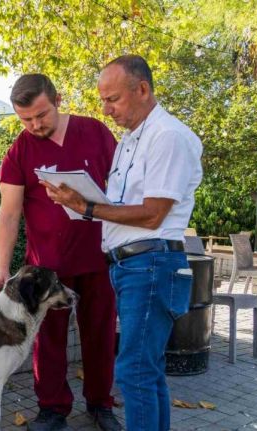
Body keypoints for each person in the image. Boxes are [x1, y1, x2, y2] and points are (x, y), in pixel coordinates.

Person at [41, 55, 203, 431]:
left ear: (142, 89)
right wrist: (78, 201)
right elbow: (124, 206)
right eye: (102, 100)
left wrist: (87, 206)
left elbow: (152, 214)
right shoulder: (131, 140)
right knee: (146, 371)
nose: (106, 109)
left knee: (133, 373)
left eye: (112, 99)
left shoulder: (168, 137)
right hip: (131, 265)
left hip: (151, 265)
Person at [0, 74, 121, 431]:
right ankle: (52, 410)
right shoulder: (20, 150)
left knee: (100, 335)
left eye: (41, 115)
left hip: (98, 259)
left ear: (57, 99)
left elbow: (123, 188)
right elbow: (9, 213)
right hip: (45, 271)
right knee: (47, 342)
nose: (35, 125)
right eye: (26, 119)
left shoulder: (95, 132)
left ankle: (100, 404)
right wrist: (3, 270)